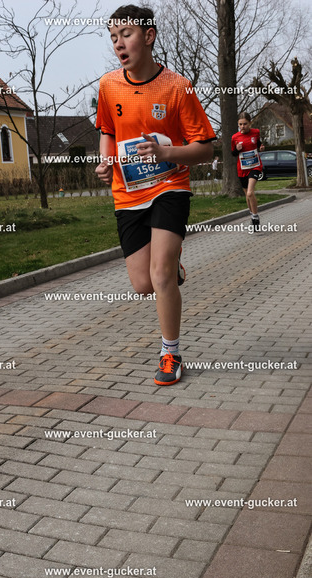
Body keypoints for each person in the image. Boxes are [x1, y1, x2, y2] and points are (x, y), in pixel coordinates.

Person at [95, 4, 215, 386]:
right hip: (128, 193)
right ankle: (172, 265)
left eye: (126, 34)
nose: (118, 43)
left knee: (159, 274)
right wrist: (105, 161)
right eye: (113, 37)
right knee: (144, 284)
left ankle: (170, 353)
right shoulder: (108, 85)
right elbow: (107, 131)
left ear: (148, 36)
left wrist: (166, 153)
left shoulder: (178, 87)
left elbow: (206, 149)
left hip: (169, 187)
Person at [231, 112, 265, 231]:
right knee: (247, 194)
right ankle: (252, 215)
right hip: (242, 169)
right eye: (240, 124)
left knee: (250, 193)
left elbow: (258, 143)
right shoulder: (235, 137)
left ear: (250, 123)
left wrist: (261, 147)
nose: (242, 126)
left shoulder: (255, 132)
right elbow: (233, 153)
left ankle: (255, 217)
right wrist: (237, 149)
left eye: (245, 124)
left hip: (255, 166)